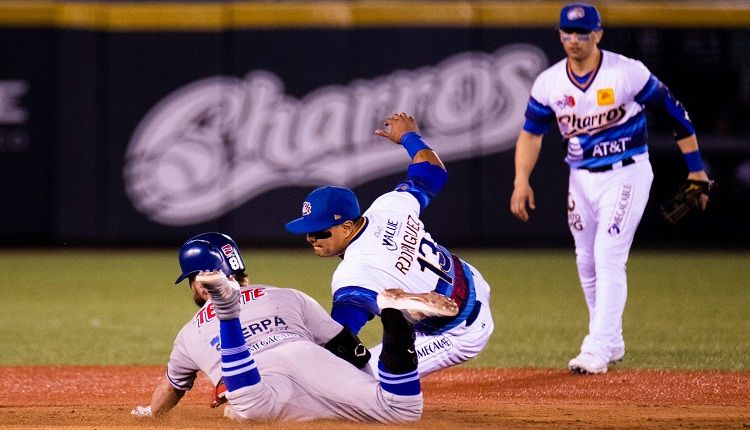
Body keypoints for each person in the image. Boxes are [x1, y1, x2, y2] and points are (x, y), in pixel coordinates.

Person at [509, 3, 712, 374]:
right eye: (567, 33)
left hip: (627, 173)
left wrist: (696, 171)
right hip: (581, 177)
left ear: (598, 34)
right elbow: (531, 134)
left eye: (582, 33)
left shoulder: (626, 73)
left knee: (608, 255)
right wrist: (521, 179)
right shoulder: (550, 82)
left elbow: (675, 114)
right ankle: (611, 338)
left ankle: (598, 347)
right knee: (586, 262)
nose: (573, 40)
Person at [131, 232, 459, 423]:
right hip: (304, 353)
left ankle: (227, 313)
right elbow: (347, 345)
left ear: (198, 284)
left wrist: (151, 414)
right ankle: (396, 321)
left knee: (249, 409)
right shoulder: (287, 295)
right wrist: (360, 382)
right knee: (403, 411)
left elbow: (171, 388)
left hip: (254, 375)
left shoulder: (189, 333)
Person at [285, 112, 494, 377]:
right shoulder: (388, 206)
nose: (310, 239)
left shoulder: (353, 273)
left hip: (459, 330)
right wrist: (410, 137)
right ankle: (407, 310)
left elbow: (342, 333)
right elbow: (433, 171)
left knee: (356, 377)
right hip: (470, 280)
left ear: (347, 226)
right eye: (307, 232)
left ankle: (405, 314)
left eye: (319, 232)